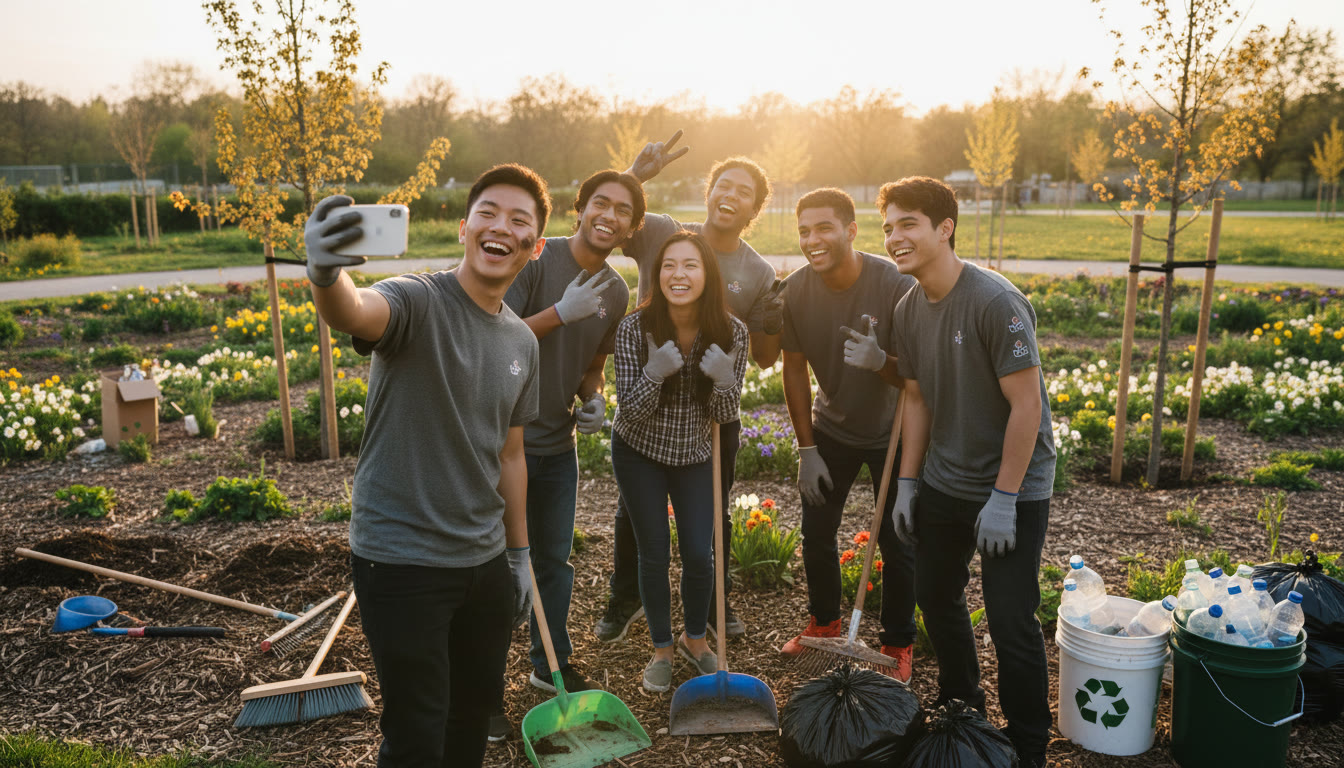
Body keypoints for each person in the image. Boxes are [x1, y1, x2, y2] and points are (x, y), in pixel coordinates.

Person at [303, 164, 549, 767]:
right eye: (488, 213)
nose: (501, 228)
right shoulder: (417, 298)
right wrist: (324, 271)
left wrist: (519, 557)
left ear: (535, 247)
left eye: (520, 221)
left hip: (485, 564)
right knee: (416, 731)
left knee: (471, 719)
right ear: (466, 228)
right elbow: (355, 312)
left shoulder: (523, 343)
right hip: (402, 561)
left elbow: (510, 455)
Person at [881, 176, 1056, 768]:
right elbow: (917, 400)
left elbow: (1026, 406)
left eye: (908, 224)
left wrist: (1004, 498)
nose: (895, 237)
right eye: (888, 227)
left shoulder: (994, 302)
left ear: (944, 228)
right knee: (935, 597)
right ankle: (965, 714)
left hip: (1013, 487)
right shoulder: (908, 308)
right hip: (945, 481)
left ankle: (1030, 744)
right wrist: (908, 483)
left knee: (1010, 620)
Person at [595, 134, 782, 642]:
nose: (730, 194)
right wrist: (634, 174)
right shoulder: (662, 233)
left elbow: (762, 355)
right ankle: (626, 597)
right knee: (634, 513)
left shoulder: (758, 271)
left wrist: (779, 318)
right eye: (722, 183)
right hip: (648, 397)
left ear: (754, 209)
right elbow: (609, 223)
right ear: (708, 191)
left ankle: (714, 605)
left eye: (743, 191)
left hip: (711, 408)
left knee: (711, 513)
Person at [490, 170, 644, 740]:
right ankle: (482, 691)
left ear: (631, 227)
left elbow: (591, 365)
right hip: (499, 444)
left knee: (553, 562)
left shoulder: (617, 289)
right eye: (599, 202)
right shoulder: (535, 260)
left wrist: (594, 399)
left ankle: (547, 664)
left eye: (622, 210)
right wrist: (559, 311)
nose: (609, 215)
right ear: (579, 208)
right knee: (490, 569)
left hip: (556, 446)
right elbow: (492, 339)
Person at [776, 187, 919, 683]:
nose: (812, 240)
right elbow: (793, 370)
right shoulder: (795, 290)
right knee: (816, 533)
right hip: (831, 428)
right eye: (803, 231)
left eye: (823, 228)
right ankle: (825, 620)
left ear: (851, 231)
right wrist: (807, 448)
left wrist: (881, 364)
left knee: (898, 541)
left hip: (892, 431)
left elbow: (918, 375)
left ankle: (898, 642)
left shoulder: (894, 283)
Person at [610, 230, 749, 691]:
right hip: (639, 452)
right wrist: (655, 371)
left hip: (694, 452)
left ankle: (695, 641)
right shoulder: (634, 328)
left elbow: (724, 416)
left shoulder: (732, 334)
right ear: (657, 273)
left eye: (690, 265)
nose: (678, 275)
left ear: (708, 273)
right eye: (669, 265)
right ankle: (662, 650)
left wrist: (726, 380)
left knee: (698, 551)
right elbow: (630, 409)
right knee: (653, 552)